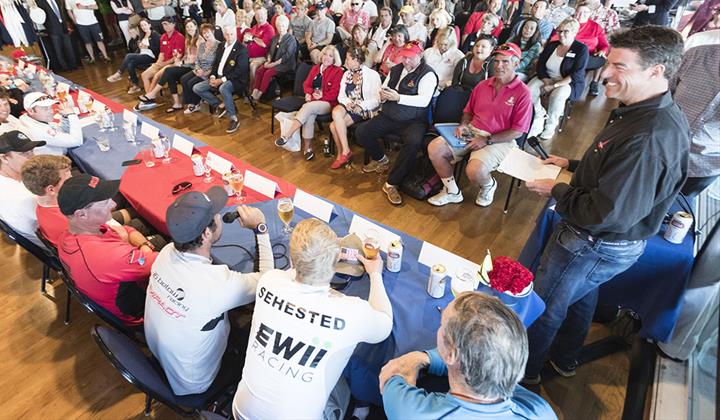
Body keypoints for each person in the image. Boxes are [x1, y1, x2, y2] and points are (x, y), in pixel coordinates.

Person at [522, 26, 690, 384]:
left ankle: (526, 375)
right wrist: (572, 164)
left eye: (620, 66)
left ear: (655, 70)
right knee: (581, 296)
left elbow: (604, 212)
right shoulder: (641, 113)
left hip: (592, 240)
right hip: (600, 246)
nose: (606, 73)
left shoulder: (648, 137)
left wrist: (558, 190)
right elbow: (615, 172)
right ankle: (565, 358)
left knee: (544, 307)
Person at [232, 218, 393, 420]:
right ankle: (358, 411)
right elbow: (385, 322)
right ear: (335, 263)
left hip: (241, 412)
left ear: (292, 259)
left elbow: (295, 273)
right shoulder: (350, 312)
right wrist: (375, 274)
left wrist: (322, 252)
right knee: (348, 376)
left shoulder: (269, 280)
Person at [145, 191, 273, 395]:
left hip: (163, 361)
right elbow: (268, 281)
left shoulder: (166, 252)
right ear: (206, 234)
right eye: (217, 215)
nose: (221, 216)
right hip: (194, 383)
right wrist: (261, 228)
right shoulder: (217, 285)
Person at [380, 292, 556, 419]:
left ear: (451, 353)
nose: (440, 329)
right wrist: (426, 358)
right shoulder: (541, 412)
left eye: (442, 325)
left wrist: (414, 359)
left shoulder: (415, 413)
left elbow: (391, 378)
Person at [427, 43, 531, 207]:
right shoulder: (483, 85)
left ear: (516, 63)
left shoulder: (523, 93)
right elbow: (468, 112)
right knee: (435, 148)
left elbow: (518, 131)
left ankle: (489, 185)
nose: (498, 66)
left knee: (474, 171)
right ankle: (452, 191)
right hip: (473, 130)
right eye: (496, 61)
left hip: (500, 140)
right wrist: (464, 124)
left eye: (505, 62)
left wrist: (487, 140)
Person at [58, 174, 160, 326]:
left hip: (127, 273)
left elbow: (125, 230)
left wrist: (141, 246)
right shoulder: (108, 256)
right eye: (105, 202)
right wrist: (144, 247)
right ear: (81, 214)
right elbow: (157, 262)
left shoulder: (73, 233)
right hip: (142, 312)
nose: (113, 204)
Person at [357, 42, 437, 205]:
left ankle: (392, 183)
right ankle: (381, 159)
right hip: (391, 115)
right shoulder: (396, 69)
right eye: (404, 57)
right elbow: (385, 88)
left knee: (413, 143)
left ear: (420, 56)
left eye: (410, 58)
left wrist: (398, 97)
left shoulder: (428, 74)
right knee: (362, 131)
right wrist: (382, 95)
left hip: (414, 120)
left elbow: (424, 101)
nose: (406, 61)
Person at [672, 29, 720, 197]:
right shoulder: (697, 49)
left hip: (706, 164)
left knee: (674, 214)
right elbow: (662, 92)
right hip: (662, 148)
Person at [275, 46, 343, 160]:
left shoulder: (338, 71)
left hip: (328, 103)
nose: (327, 57)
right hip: (312, 102)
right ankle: (308, 148)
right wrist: (310, 93)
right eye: (325, 54)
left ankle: (287, 135)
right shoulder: (316, 68)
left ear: (334, 59)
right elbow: (306, 85)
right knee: (309, 116)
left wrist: (321, 96)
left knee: (307, 107)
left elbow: (335, 93)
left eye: (330, 56)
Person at [527, 18, 588, 139]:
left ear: (574, 32)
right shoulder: (551, 46)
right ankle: (539, 115)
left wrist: (554, 86)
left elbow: (577, 73)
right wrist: (545, 80)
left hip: (568, 82)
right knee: (529, 91)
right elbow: (540, 65)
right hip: (547, 77)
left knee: (558, 95)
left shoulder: (581, 49)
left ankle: (551, 125)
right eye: (559, 31)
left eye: (566, 31)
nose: (561, 34)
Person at [329, 48, 382, 169]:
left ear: (356, 60)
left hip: (365, 108)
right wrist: (347, 103)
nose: (345, 61)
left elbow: (377, 99)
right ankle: (345, 151)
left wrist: (360, 106)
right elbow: (341, 96)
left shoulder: (372, 75)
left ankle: (341, 154)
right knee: (336, 111)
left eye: (347, 58)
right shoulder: (347, 74)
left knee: (333, 126)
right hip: (350, 105)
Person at [0, 130, 46, 242]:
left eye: (32, 151)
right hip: (52, 243)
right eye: (24, 153)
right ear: (4, 158)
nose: (33, 157)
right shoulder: (26, 197)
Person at [193, 26, 249, 134]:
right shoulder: (221, 46)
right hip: (218, 76)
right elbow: (216, 64)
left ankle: (234, 118)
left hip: (236, 80)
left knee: (223, 88)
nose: (229, 37)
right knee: (197, 88)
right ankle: (221, 105)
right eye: (227, 34)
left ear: (236, 34)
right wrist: (213, 77)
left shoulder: (242, 49)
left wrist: (221, 80)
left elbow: (239, 71)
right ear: (224, 35)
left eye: (232, 34)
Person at [141, 19, 199, 112]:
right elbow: (183, 55)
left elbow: (196, 59)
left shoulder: (196, 40)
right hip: (183, 64)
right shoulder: (187, 39)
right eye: (187, 27)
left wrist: (180, 62)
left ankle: (151, 96)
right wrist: (178, 60)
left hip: (192, 66)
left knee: (166, 72)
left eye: (191, 26)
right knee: (151, 74)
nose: (189, 29)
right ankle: (176, 103)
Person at [135, 17, 187, 109]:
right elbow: (162, 52)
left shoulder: (179, 37)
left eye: (167, 24)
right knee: (144, 75)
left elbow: (177, 56)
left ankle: (149, 97)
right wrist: (159, 61)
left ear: (173, 24)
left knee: (156, 77)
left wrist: (163, 64)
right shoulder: (163, 36)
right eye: (163, 24)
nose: (165, 26)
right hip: (162, 62)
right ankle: (150, 99)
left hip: (173, 63)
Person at [251, 15, 298, 102]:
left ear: (287, 26)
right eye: (279, 25)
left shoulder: (291, 39)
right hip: (272, 62)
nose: (281, 28)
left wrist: (273, 64)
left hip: (285, 65)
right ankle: (254, 92)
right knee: (259, 71)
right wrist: (268, 60)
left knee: (267, 73)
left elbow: (287, 56)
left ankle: (259, 95)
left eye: (283, 26)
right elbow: (269, 51)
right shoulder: (275, 38)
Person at [19, 91, 84, 155]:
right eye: (45, 109)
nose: (51, 112)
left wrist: (65, 117)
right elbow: (77, 141)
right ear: (31, 111)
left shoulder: (33, 120)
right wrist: (72, 114)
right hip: (58, 162)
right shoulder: (37, 131)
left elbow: (62, 132)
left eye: (50, 107)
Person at [107, 18, 160, 94]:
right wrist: (140, 47)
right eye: (142, 26)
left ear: (149, 25)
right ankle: (135, 86)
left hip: (151, 57)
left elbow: (158, 49)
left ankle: (119, 74)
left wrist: (147, 47)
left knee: (129, 56)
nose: (144, 27)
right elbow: (140, 50)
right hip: (142, 55)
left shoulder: (155, 34)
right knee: (130, 64)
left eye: (145, 25)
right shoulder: (142, 35)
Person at [64, 0, 111, 64]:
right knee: (87, 41)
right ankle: (92, 58)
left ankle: (106, 56)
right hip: (81, 23)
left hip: (93, 21)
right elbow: (68, 10)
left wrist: (85, 7)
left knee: (99, 40)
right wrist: (74, 19)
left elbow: (96, 6)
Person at [36, 0, 78, 71]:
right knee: (58, 49)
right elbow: (41, 17)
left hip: (63, 26)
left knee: (68, 47)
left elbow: (63, 12)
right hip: (52, 28)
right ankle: (64, 66)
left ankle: (73, 65)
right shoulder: (39, 2)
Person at [182, 23, 221, 114]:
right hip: (199, 70)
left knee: (191, 82)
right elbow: (197, 60)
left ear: (213, 32)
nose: (206, 35)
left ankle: (195, 104)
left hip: (210, 72)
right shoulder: (202, 45)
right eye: (204, 33)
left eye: (208, 32)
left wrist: (205, 73)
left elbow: (217, 64)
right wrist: (197, 69)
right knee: (184, 79)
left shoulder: (219, 45)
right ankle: (192, 103)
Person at [243, 7, 276, 88]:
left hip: (262, 57)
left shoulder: (269, 28)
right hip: (249, 56)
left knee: (253, 66)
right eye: (257, 14)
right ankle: (241, 88)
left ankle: (252, 90)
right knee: (236, 62)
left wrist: (253, 37)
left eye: (261, 14)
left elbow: (264, 44)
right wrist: (245, 40)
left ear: (266, 15)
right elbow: (247, 41)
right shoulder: (254, 27)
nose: (259, 16)